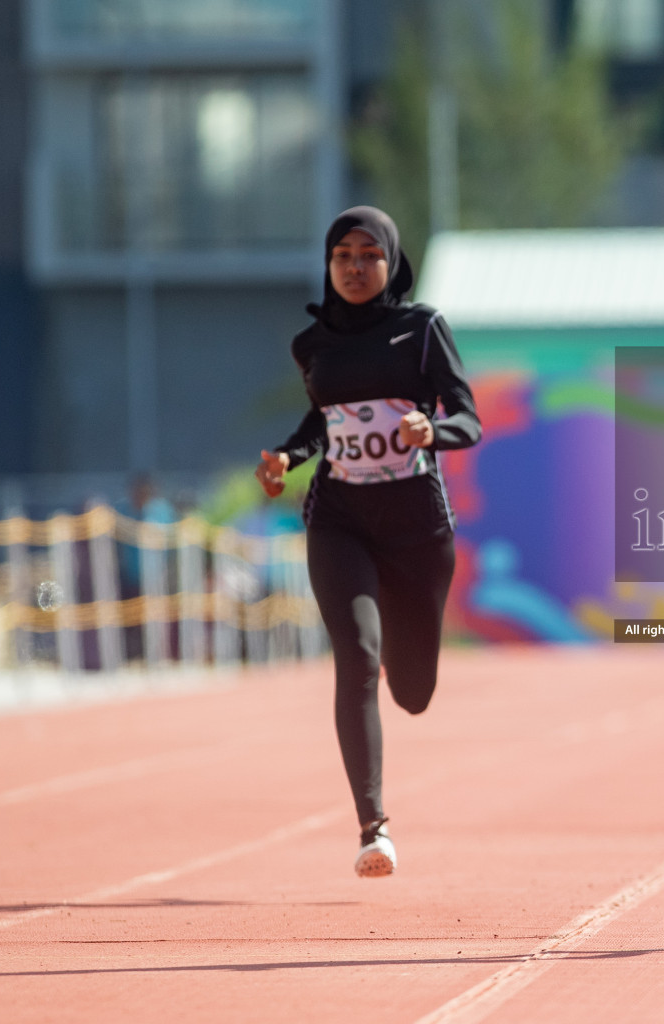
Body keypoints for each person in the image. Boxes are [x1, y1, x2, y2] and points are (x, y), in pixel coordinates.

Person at [255, 207, 481, 878]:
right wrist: (287, 460)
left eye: (368, 255)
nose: (355, 268)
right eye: (342, 256)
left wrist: (429, 429)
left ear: (391, 262)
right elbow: (319, 424)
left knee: (411, 690)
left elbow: (466, 416)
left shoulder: (420, 330)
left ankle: (405, 645)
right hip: (340, 520)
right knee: (355, 660)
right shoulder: (312, 344)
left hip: (417, 529)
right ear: (328, 266)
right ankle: (372, 827)